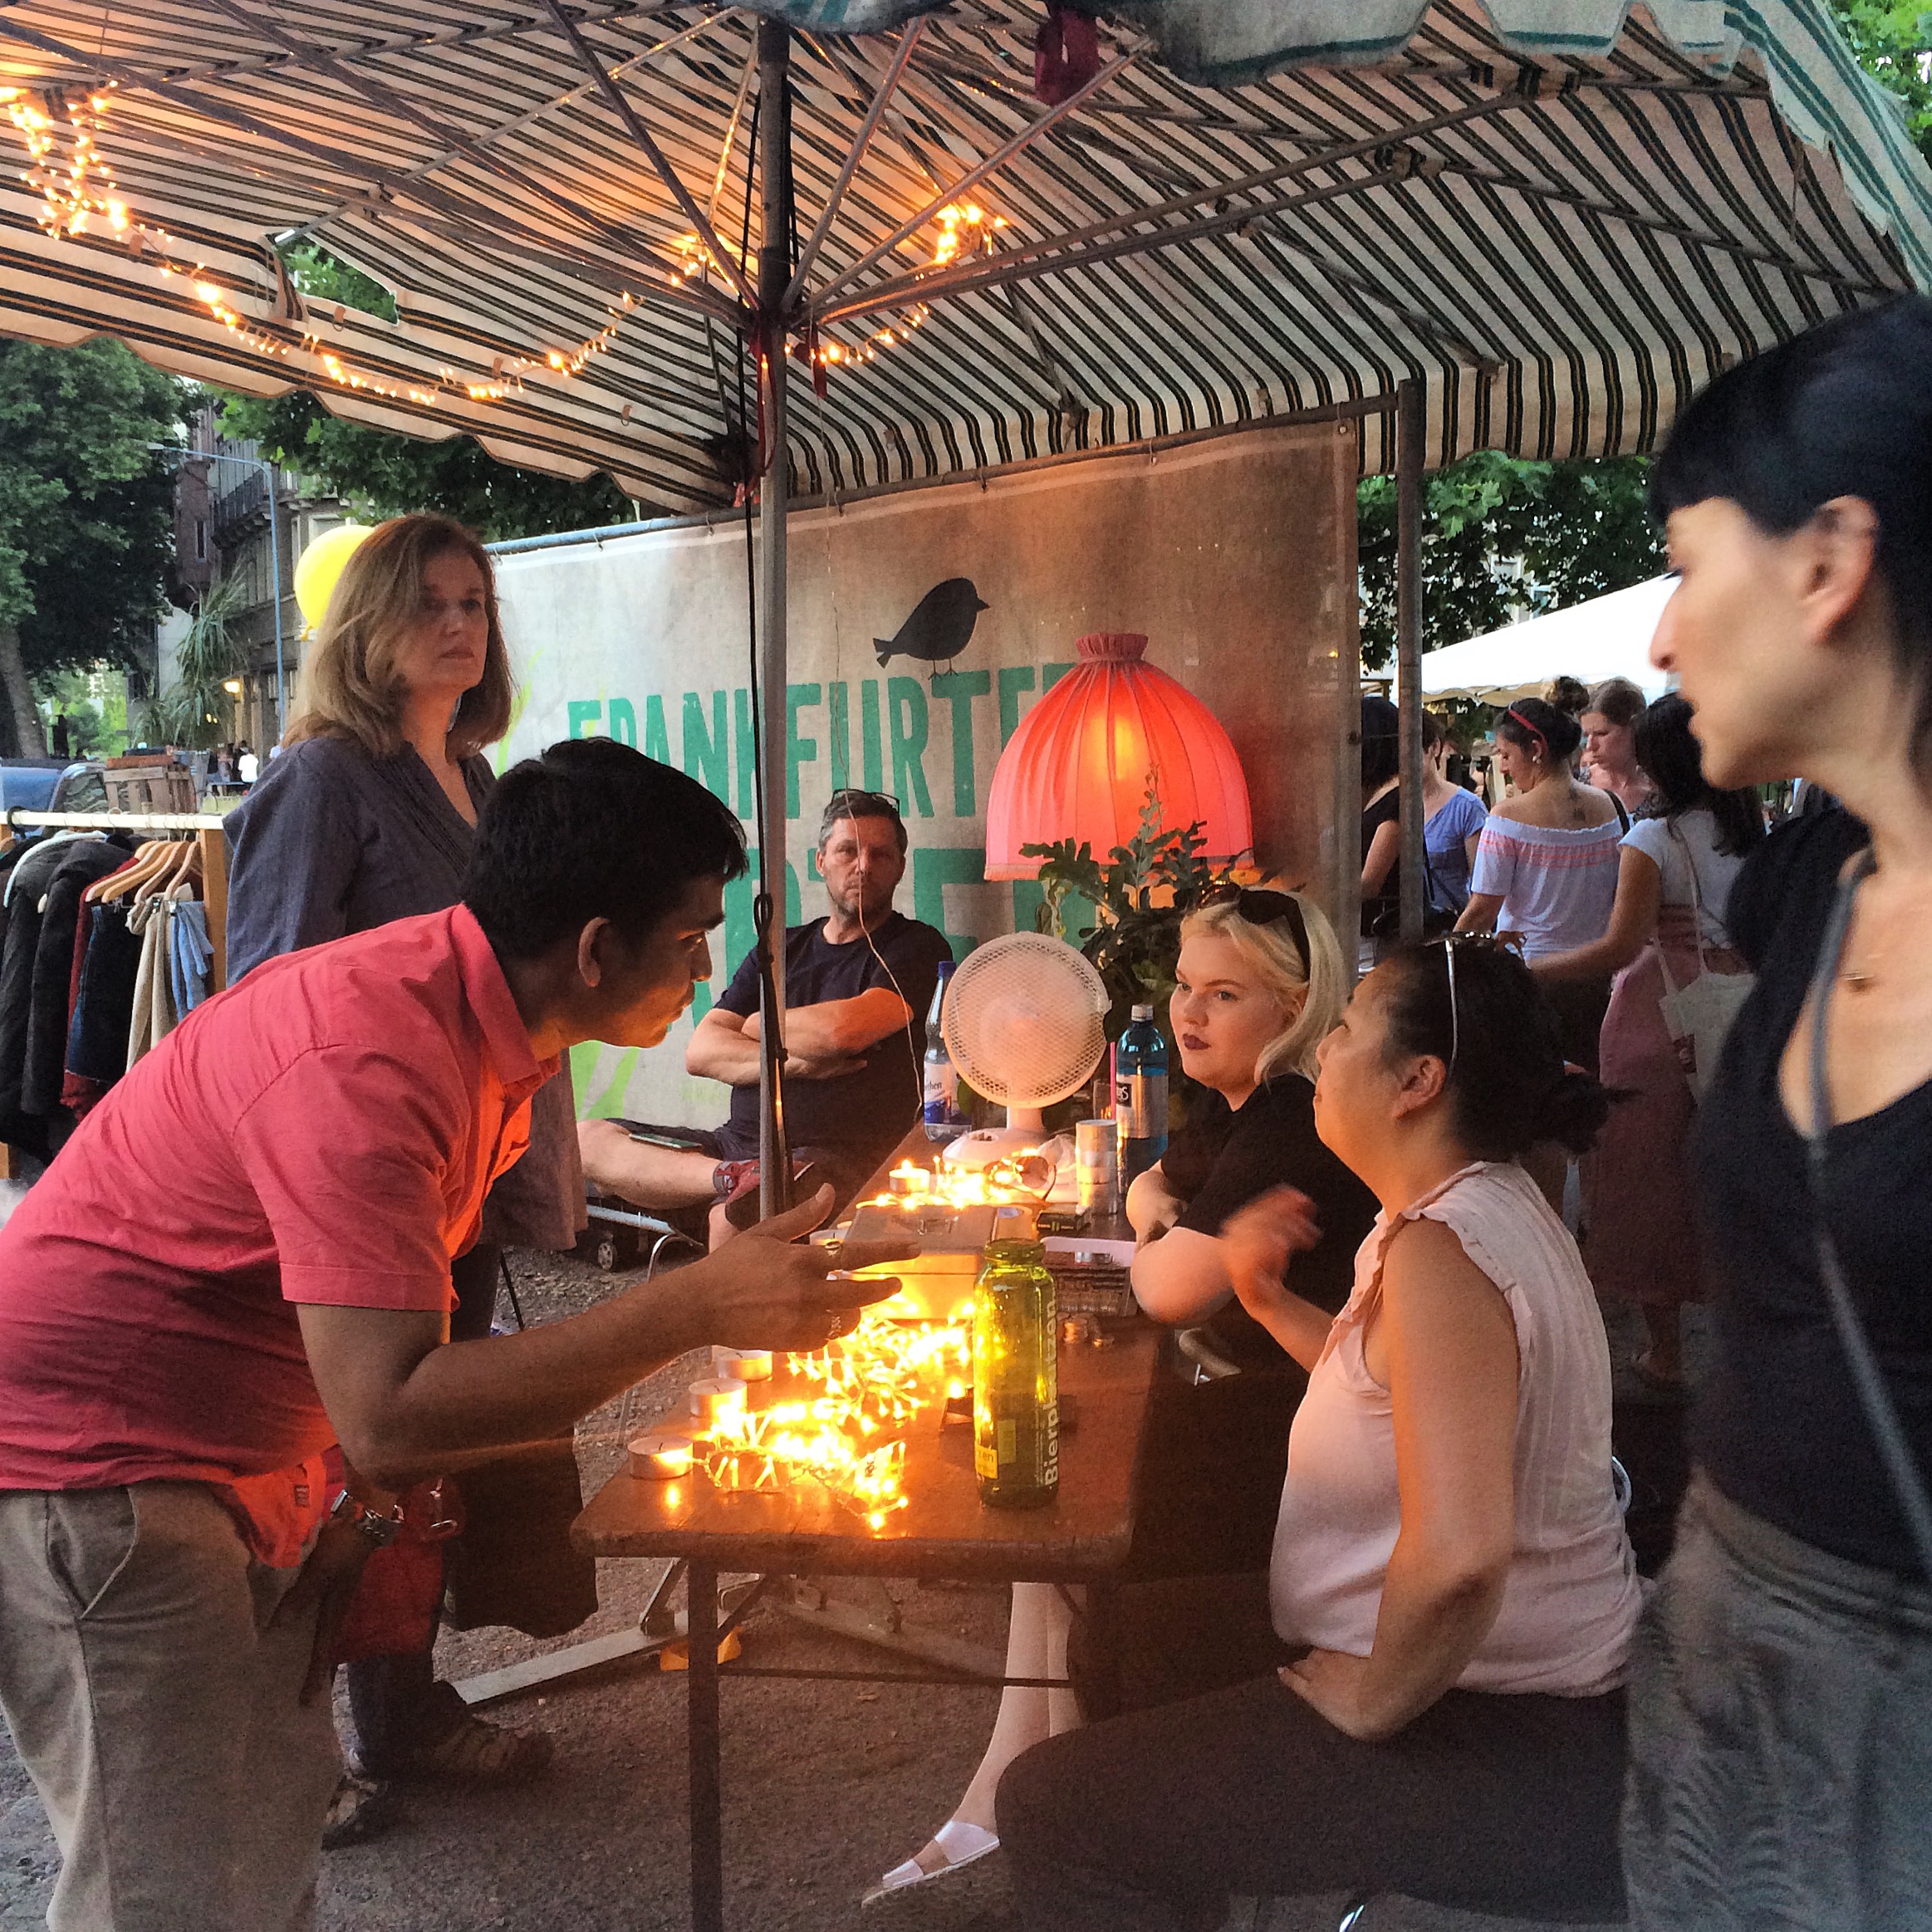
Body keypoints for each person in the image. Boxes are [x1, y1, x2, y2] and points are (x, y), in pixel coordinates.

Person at [0, 740, 909, 1932]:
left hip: (232, 1462)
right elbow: (393, 1403)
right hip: (94, 1472)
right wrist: (693, 1306)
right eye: (691, 938)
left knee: (262, 1827)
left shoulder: (475, 1024)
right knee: (165, 1886)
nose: (704, 971)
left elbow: (373, 1331)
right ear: (594, 947)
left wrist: (357, 1510)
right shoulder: (373, 1056)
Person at [997, 937, 1639, 1930]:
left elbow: (1462, 1554)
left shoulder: (1445, 1251)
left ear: (1418, 1080)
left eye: (1342, 1029)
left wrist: (1375, 1694)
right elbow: (1397, 1392)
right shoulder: (1459, 1206)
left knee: (1049, 1807)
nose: (1320, 1053)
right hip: (1477, 1679)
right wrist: (1267, 1302)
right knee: (1131, 1638)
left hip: (1506, 1722)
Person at [870, 889, 1376, 1904]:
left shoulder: (1286, 1121)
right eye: (1185, 986)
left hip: (1306, 1438)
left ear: (1291, 1009)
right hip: (1269, 1400)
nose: (1188, 1011)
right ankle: (1023, 1782)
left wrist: (1162, 1235)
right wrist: (1162, 1220)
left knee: (1059, 1480)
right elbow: (1151, 1188)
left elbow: (1165, 1287)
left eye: (1223, 994)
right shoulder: (1242, 1105)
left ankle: (1045, 1799)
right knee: (1049, 1468)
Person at [1622, 299, 1932, 1929]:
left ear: (1827, 563)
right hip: (1720, 1653)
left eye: (1684, 563)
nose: (1663, 640)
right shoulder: (1809, 883)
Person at [225, 512, 584, 1822]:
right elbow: (267, 992)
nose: (457, 625)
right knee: (321, 1465)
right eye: (428, 602)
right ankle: (296, 1749)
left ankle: (400, 1708)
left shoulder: (481, 780)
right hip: (355, 1190)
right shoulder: (324, 778)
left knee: (417, 1467)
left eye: (474, 603)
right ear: (367, 624)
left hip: (459, 1175)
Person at [578, 787, 951, 1234]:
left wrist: (756, 1024)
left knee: (729, 1220)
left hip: (831, 1161)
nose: (863, 866)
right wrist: (797, 1063)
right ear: (821, 861)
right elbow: (701, 1052)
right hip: (734, 1148)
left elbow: (843, 1032)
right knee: (586, 1140)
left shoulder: (916, 947)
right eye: (848, 850)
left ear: (900, 868)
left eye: (881, 854)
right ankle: (729, 1178)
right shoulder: (778, 947)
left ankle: (735, 1192)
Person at [1530, 694, 1762, 1389]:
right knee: (1733, 1178)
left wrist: (1532, 969)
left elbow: (1619, 947)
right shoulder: (1755, 834)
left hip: (1659, 1018)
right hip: (1746, 1009)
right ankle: (1745, 1343)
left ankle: (1666, 1353)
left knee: (1648, 1179)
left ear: (1661, 761)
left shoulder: (1654, 841)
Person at [1455, 695, 1624, 1070]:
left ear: (1535, 749)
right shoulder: (1610, 806)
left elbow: (1482, 911)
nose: (1503, 766)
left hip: (1532, 981)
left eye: (1506, 754)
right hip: (1596, 979)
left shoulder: (1507, 818)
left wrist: (1449, 965)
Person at [1420, 712, 1487, 917]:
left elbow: (1482, 887)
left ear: (1434, 747)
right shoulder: (1389, 805)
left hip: (1450, 924)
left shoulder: (1468, 808)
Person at [1357, 694, 1402, 967]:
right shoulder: (1375, 795)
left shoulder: (1397, 800)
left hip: (1378, 937)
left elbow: (1370, 882)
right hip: (1364, 933)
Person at [1580, 676, 1655, 814]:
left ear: (1634, 728)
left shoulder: (1658, 793)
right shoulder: (1579, 783)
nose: (1590, 746)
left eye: (1601, 734)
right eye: (1586, 736)